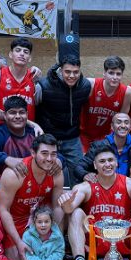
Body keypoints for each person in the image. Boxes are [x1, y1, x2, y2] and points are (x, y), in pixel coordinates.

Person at [0, 134, 65, 260]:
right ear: (33, 153)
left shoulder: (56, 172)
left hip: (37, 219)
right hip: (12, 220)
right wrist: (18, 242)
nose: (49, 159)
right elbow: (3, 210)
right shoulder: (14, 174)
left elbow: (56, 207)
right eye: (44, 153)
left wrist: (53, 234)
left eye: (53, 154)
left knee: (66, 205)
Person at [35, 55, 92, 186]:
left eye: (76, 72)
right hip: (49, 138)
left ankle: (74, 202)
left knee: (79, 173)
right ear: (60, 70)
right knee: (44, 172)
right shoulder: (43, 86)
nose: (72, 75)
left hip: (72, 138)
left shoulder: (85, 86)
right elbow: (34, 111)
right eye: (67, 72)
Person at [0, 96, 39, 179]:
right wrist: (7, 159)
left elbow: (53, 152)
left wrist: (59, 160)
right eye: (13, 112)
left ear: (27, 114)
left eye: (21, 112)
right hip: (0, 180)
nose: (18, 116)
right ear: (5, 116)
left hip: (30, 181)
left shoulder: (35, 132)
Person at [80, 56, 131, 151]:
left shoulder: (127, 92)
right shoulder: (91, 85)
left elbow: (122, 120)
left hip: (107, 137)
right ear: (104, 73)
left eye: (118, 74)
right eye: (111, 73)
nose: (115, 77)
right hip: (83, 135)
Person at [76, 113, 131, 183]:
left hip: (127, 187)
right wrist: (85, 175)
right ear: (112, 127)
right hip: (103, 187)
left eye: (126, 123)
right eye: (119, 122)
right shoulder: (99, 146)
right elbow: (79, 167)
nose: (123, 125)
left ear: (130, 127)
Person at [0, 38, 36, 120]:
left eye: (26, 52)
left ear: (30, 58)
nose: (22, 54)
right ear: (10, 54)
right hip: (3, 128)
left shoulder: (34, 77)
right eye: (18, 50)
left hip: (27, 129)